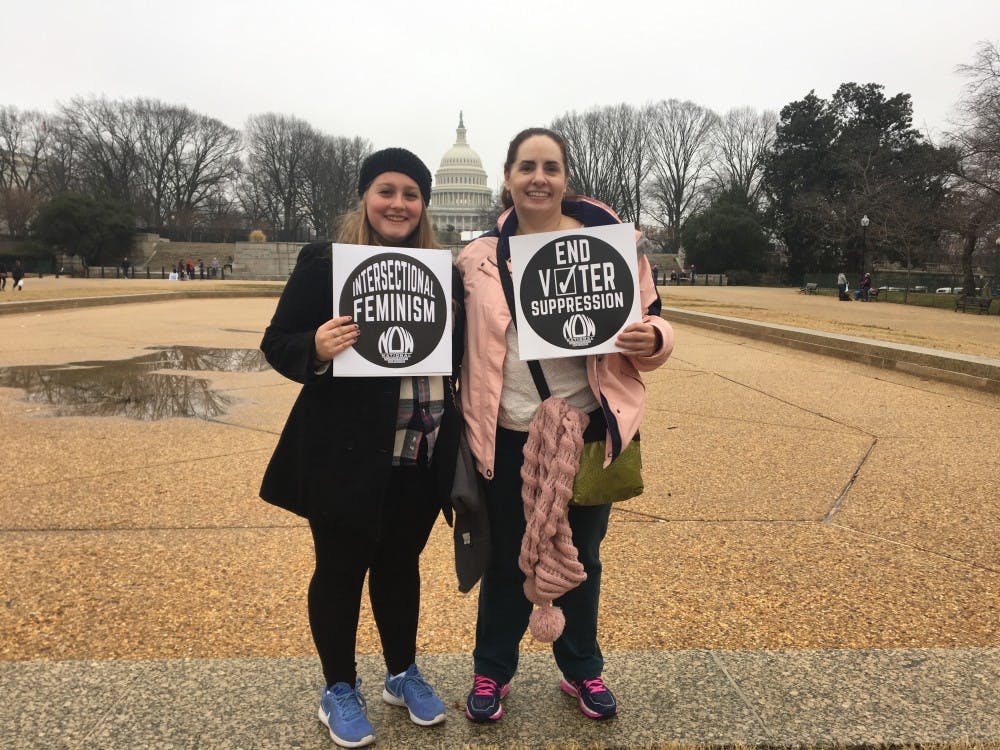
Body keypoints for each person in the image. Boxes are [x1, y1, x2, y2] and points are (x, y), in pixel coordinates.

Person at [455, 128, 674, 724]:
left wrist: (651, 338)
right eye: (527, 166)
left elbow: (655, 325)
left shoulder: (612, 248)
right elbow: (449, 340)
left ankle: (582, 670)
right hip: (505, 431)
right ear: (507, 177)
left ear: (565, 178)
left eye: (550, 167)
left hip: (587, 431)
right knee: (505, 558)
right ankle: (491, 671)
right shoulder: (475, 257)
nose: (538, 178)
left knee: (582, 557)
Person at [259, 148, 451, 748]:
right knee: (340, 570)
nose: (399, 204)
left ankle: (401, 672)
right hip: (345, 450)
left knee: (401, 566)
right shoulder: (325, 264)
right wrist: (314, 347)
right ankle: (338, 686)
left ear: (424, 205)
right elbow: (277, 342)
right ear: (366, 197)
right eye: (386, 191)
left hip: (420, 446)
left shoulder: (442, 270)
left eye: (411, 194)